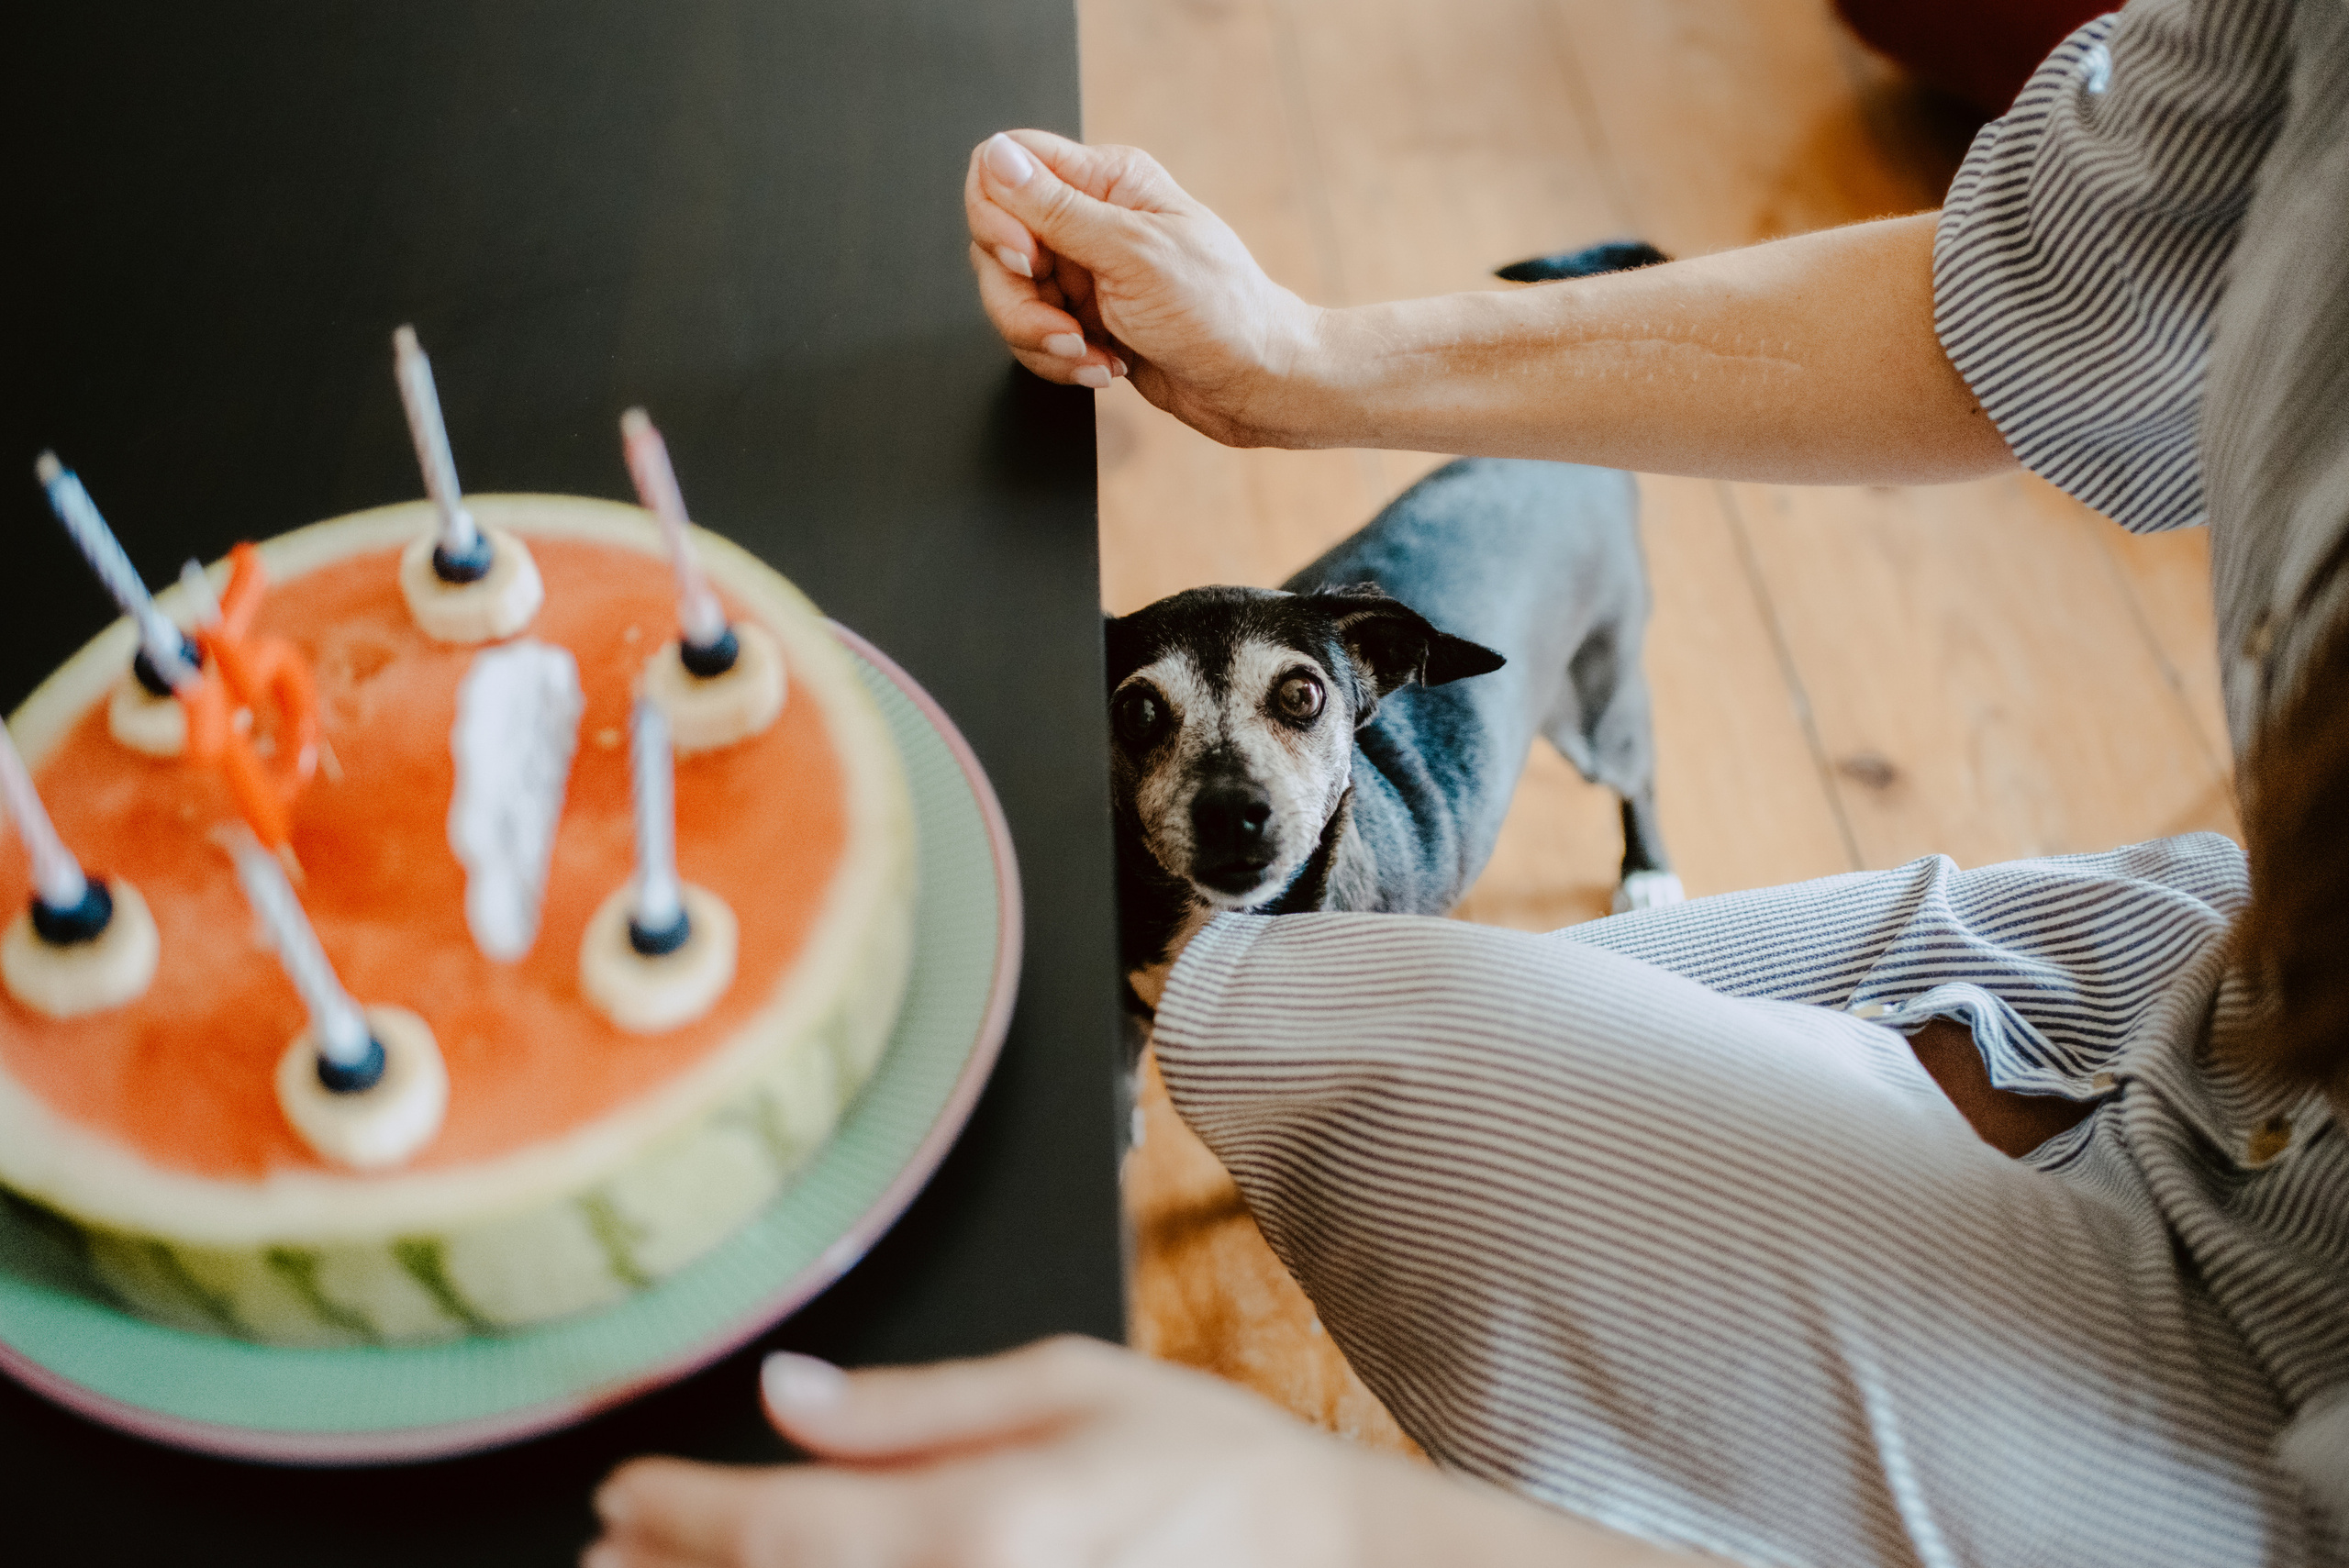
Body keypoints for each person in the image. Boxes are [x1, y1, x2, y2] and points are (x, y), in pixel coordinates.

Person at [584, 0, 2349, 1562]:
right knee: (1255, 1023)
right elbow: (2056, 291)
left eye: (1291, 712)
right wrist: (1299, 359)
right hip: (2227, 986)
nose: (1231, 783)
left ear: (1355, 696)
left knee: (1276, 1013)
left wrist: (1333, 1526)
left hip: (2284, 1420)